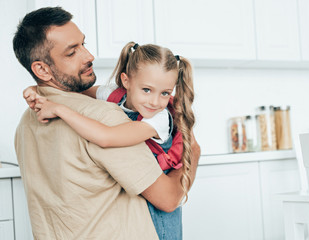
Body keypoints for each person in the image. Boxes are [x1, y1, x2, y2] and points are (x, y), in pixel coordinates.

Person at [13, 7, 200, 240]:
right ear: (41, 69)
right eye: (72, 53)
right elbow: (169, 199)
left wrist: (35, 89)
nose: (89, 56)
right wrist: (193, 151)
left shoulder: (26, 122)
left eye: (83, 44)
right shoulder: (103, 117)